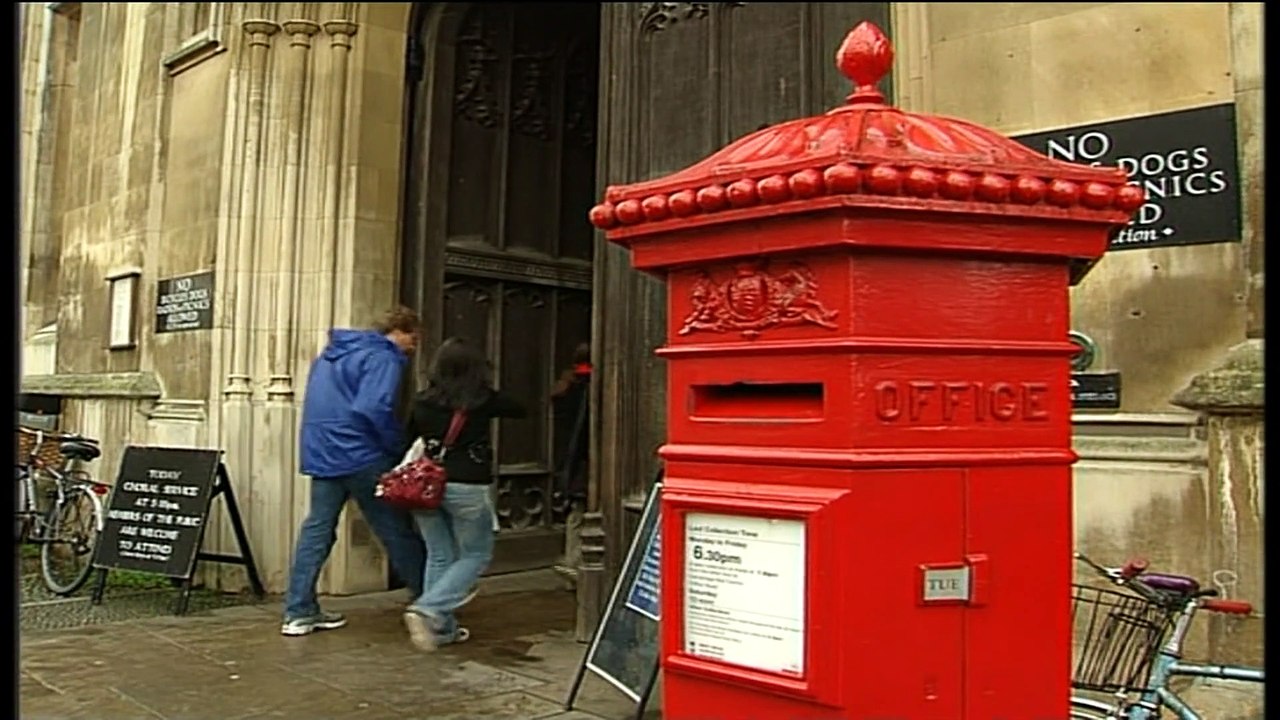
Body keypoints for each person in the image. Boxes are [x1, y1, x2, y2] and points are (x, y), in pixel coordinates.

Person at [281, 306, 427, 637]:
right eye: (413, 339)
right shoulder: (383, 356)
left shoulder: (331, 356)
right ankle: (430, 603)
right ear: (399, 331)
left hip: (323, 451)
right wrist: (396, 447)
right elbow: (373, 406)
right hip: (362, 454)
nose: (412, 348)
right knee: (395, 528)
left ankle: (299, 611)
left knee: (317, 530)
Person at [402, 337, 527, 651]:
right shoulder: (482, 400)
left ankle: (441, 630)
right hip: (466, 484)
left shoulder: (422, 400)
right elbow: (520, 408)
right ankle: (429, 608)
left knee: (439, 554)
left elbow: (408, 434)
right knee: (475, 553)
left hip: (425, 487)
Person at [551, 343, 591, 586]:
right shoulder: (589, 385)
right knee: (585, 512)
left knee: (576, 514)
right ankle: (576, 566)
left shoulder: (565, 386)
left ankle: (571, 562)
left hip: (570, 455)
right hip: (587, 457)